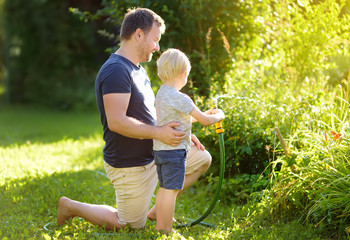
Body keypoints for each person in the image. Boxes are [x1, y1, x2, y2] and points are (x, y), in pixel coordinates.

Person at [56, 8, 213, 231]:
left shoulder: (139, 70)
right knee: (128, 224)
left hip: (155, 153)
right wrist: (159, 133)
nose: (158, 47)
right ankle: (70, 206)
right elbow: (117, 121)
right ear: (138, 34)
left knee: (202, 159)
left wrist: (182, 133)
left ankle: (158, 209)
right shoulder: (116, 71)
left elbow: (150, 114)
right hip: (130, 165)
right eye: (155, 39)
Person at [153, 48, 225, 234]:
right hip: (175, 151)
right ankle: (166, 230)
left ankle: (159, 221)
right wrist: (218, 116)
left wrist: (203, 114)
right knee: (171, 191)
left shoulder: (162, 93)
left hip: (161, 150)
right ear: (184, 74)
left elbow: (182, 118)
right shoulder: (180, 98)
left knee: (164, 188)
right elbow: (206, 121)